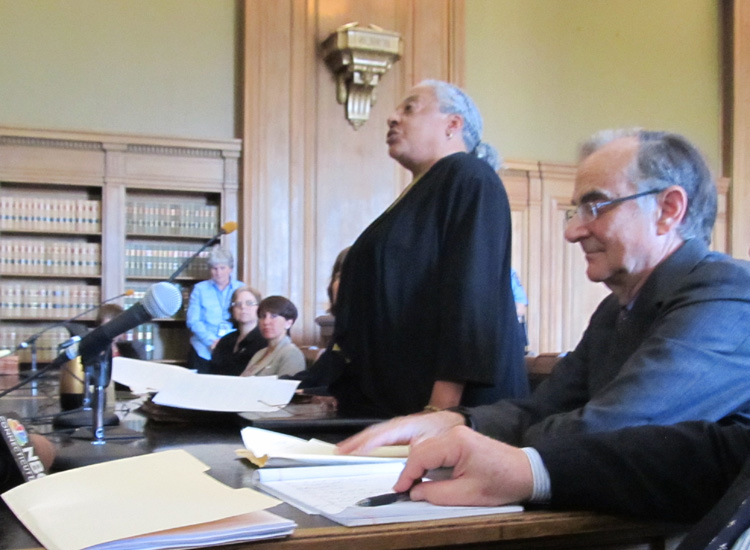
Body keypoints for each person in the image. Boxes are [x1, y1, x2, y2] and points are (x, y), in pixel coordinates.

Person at [338, 129, 750, 453]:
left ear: (668, 211)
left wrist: (470, 443)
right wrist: (450, 421)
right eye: (575, 211)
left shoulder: (728, 293)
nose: (573, 231)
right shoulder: (613, 311)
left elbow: (616, 427)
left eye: (595, 207)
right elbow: (540, 409)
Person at [329, 79, 528, 418]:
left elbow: (471, 295)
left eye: (410, 108)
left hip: (446, 411)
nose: (392, 117)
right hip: (400, 405)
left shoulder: (469, 177)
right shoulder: (422, 192)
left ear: (453, 124)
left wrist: (439, 410)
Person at [391, 422, 750, 550]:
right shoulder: (610, 314)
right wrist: (525, 468)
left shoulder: (713, 293)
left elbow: (616, 413)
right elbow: (721, 456)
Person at [186, 246, 244, 373]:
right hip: (202, 349)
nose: (218, 273)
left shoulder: (241, 289)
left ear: (230, 269)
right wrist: (210, 341)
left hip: (232, 349)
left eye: (222, 268)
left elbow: (245, 320)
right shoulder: (199, 289)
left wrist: (225, 343)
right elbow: (193, 321)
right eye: (214, 268)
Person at [240, 295, 305, 378]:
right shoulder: (259, 353)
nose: (266, 322)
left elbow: (287, 385)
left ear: (288, 323)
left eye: (273, 316)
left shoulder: (291, 353)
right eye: (263, 316)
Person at [207, 286, 266, 376]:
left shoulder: (264, 341)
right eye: (238, 304)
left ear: (259, 308)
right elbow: (213, 372)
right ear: (232, 309)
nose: (243, 307)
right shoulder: (225, 340)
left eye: (249, 303)